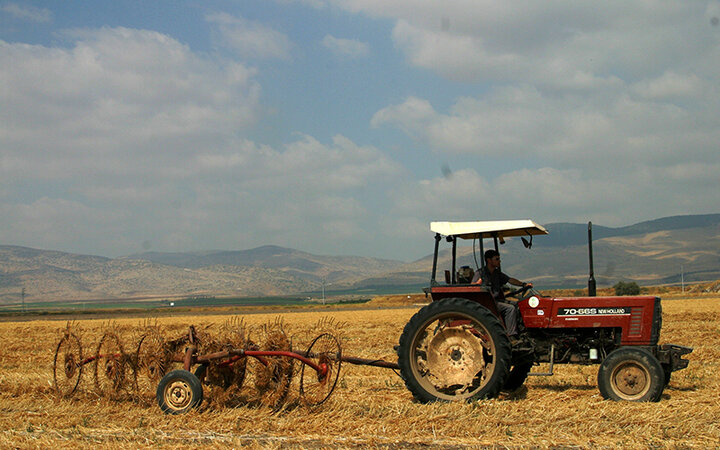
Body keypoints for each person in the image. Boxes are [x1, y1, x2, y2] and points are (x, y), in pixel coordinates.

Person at [471, 249, 531, 339]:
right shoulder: (480, 273)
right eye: (497, 259)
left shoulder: (496, 273)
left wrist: (523, 284)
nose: (499, 261)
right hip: (488, 302)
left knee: (519, 305)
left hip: (497, 301)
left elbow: (510, 280)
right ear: (489, 260)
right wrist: (478, 283)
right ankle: (512, 335)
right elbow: (472, 286)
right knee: (510, 309)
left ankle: (523, 331)